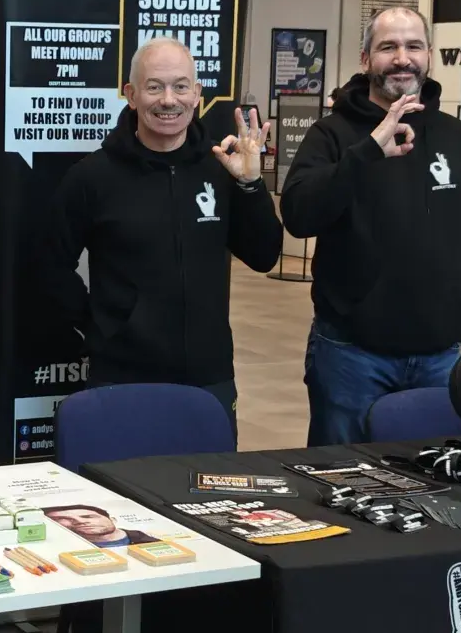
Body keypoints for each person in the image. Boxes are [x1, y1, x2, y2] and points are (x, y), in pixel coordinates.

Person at [39, 37, 283, 442]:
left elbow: (263, 255)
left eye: (181, 86)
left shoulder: (221, 169)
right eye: (154, 87)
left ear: (197, 94)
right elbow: (48, 263)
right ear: (130, 95)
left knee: (206, 495)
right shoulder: (92, 177)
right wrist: (96, 327)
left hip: (210, 379)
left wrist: (251, 184)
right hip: (122, 375)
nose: (168, 100)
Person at [280, 6, 461, 446]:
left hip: (441, 357)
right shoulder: (332, 134)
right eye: (388, 47)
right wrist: (368, 151)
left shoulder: (457, 137)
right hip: (351, 355)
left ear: (429, 55)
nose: (402, 57)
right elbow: (300, 216)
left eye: (413, 46)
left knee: (434, 484)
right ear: (365, 60)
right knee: (339, 482)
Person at [43, 505, 160, 548]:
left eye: (88, 517)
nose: (79, 521)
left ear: (112, 519)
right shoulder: (60, 548)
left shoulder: (152, 541)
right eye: (64, 519)